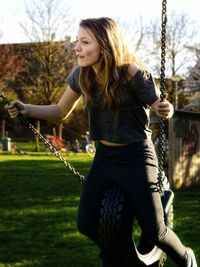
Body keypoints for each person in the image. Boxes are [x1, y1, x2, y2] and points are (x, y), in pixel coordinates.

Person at [6, 17, 197, 267]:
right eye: (77, 41)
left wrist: (166, 108)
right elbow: (60, 111)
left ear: (105, 45)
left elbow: (161, 105)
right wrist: (26, 109)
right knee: (85, 224)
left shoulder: (131, 73)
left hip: (137, 157)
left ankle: (187, 259)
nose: (77, 47)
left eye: (84, 42)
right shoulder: (81, 75)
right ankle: (123, 257)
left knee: (156, 231)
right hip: (105, 158)